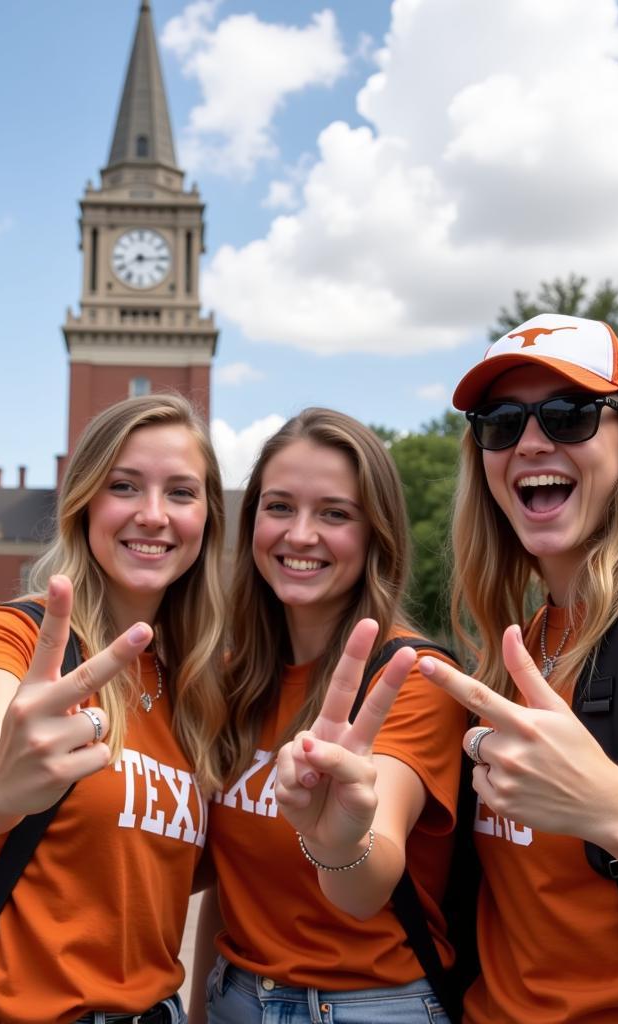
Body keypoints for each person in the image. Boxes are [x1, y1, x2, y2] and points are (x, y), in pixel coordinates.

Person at [418, 313, 618, 1022]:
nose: (530, 442)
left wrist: (606, 804)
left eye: (570, 415)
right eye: (499, 422)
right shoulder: (523, 637)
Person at [0, 393, 226, 1024]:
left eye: (181, 492)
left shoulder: (206, 687)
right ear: (84, 503)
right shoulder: (8, 637)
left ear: (208, 519)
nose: (153, 515)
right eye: (124, 486)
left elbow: (170, 865)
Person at [196, 408, 468, 1024]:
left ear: (377, 535)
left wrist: (339, 837)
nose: (300, 534)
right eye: (280, 506)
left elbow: (367, 884)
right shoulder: (234, 679)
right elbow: (231, 881)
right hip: (233, 995)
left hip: (367, 1005)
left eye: (335, 514)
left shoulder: (408, 681)